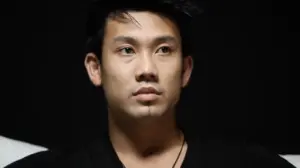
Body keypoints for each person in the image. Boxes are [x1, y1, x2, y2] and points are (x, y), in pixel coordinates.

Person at [7, 0, 295, 167]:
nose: (147, 70)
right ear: (96, 69)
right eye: (127, 50)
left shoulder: (249, 165)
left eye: (164, 50)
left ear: (185, 70)